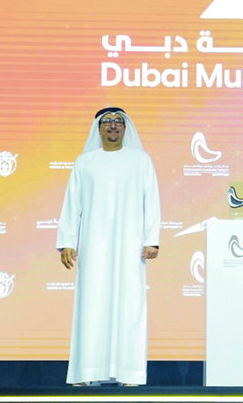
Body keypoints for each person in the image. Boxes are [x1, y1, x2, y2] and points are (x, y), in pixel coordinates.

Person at [56, 107, 161, 386]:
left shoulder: (141, 160)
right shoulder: (84, 163)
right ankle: (86, 372)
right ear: (99, 128)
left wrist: (151, 239)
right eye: (107, 122)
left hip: (131, 246)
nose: (113, 126)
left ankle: (130, 372)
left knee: (130, 305)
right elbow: (72, 204)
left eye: (118, 122)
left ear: (125, 128)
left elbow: (151, 200)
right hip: (94, 245)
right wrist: (67, 242)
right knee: (91, 304)